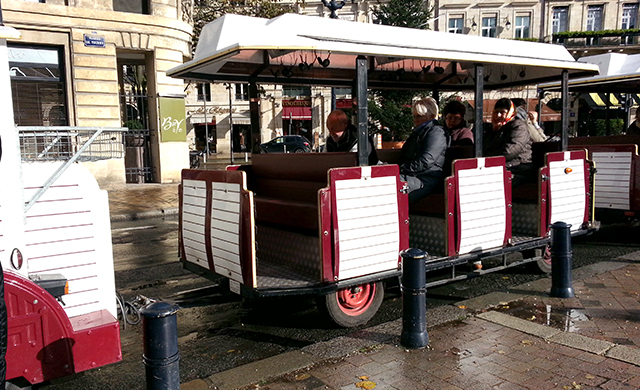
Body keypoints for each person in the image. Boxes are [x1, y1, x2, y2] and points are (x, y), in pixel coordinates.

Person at [399, 97, 450, 203]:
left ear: (431, 116)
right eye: (414, 116)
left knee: (388, 185)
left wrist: (401, 168)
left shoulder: (436, 132)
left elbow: (426, 161)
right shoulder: (420, 132)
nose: (415, 120)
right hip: (415, 176)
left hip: (427, 178)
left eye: (419, 116)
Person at [485, 98, 534, 188]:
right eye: (496, 112)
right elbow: (485, 147)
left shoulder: (518, 126)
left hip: (518, 168)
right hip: (501, 167)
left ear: (510, 113)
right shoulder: (493, 129)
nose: (498, 115)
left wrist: (487, 160)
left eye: (502, 112)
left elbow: (510, 151)